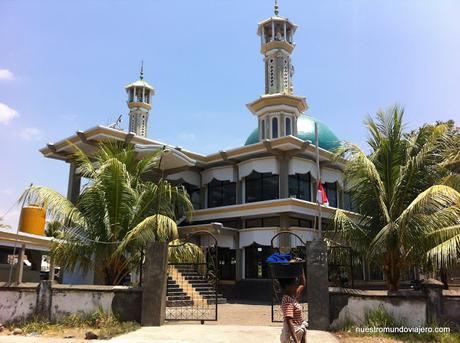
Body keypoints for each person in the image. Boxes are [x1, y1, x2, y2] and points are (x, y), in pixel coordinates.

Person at [279, 270, 307, 343]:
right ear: (286, 286)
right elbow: (289, 321)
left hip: (298, 333)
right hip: (291, 337)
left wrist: (301, 268)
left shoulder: (293, 296)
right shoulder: (287, 300)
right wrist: (296, 341)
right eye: (294, 284)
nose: (296, 285)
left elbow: (302, 284)